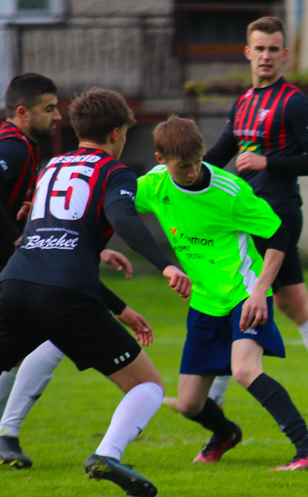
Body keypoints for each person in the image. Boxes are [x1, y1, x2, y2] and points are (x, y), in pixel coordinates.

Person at [0, 88, 192, 496]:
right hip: (65, 294)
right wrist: (166, 264)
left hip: (14, 283)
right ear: (117, 133)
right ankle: (107, 454)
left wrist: (119, 308)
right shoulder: (112, 170)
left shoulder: (51, 165)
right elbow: (123, 216)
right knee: (147, 387)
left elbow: (55, 245)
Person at [134, 115, 308, 470]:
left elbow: (278, 237)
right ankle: (225, 434)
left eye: (198, 161)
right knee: (190, 404)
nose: (193, 171)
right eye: (183, 167)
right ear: (161, 159)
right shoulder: (153, 187)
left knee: (244, 370)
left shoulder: (230, 192)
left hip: (245, 295)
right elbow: (115, 207)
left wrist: (260, 291)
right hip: (205, 303)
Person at [202, 16, 308, 409]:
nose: (266, 56)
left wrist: (266, 162)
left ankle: (215, 398)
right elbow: (221, 153)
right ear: (248, 52)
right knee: (293, 301)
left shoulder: (294, 101)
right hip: (249, 213)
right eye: (260, 48)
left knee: (235, 297)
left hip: (277, 213)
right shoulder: (243, 102)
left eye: (274, 49)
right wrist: (184, 176)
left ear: (284, 54)